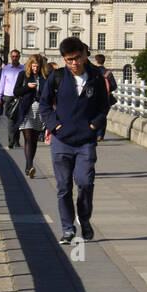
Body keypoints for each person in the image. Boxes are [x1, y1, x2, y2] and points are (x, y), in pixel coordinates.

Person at [39, 37, 110, 244]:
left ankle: (84, 218)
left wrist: (94, 126)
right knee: (63, 187)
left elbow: (104, 106)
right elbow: (44, 105)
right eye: (69, 60)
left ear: (84, 54)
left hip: (86, 140)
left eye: (77, 58)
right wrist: (55, 126)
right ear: (63, 60)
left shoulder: (96, 77)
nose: (74, 63)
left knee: (85, 182)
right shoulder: (57, 77)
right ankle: (68, 228)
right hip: (62, 141)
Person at [13, 54, 48, 178]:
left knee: (34, 139)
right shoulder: (23, 75)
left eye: (37, 66)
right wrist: (27, 87)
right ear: (30, 65)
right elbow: (16, 91)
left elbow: (49, 94)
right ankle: (29, 166)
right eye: (33, 66)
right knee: (28, 137)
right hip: (26, 109)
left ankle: (30, 164)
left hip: (40, 110)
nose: (35, 69)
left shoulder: (44, 77)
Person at [0, 48, 22, 148]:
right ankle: (11, 141)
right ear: (11, 57)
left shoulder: (23, 69)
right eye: (13, 56)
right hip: (8, 97)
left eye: (16, 56)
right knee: (11, 119)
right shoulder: (6, 69)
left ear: (19, 57)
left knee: (19, 119)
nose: (15, 58)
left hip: (19, 97)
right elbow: (1, 84)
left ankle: (16, 140)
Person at [94, 54, 117, 142]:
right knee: (103, 116)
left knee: (94, 115)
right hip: (106, 98)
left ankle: (94, 133)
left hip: (94, 98)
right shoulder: (108, 73)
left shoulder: (93, 71)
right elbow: (114, 86)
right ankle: (100, 135)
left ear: (96, 61)